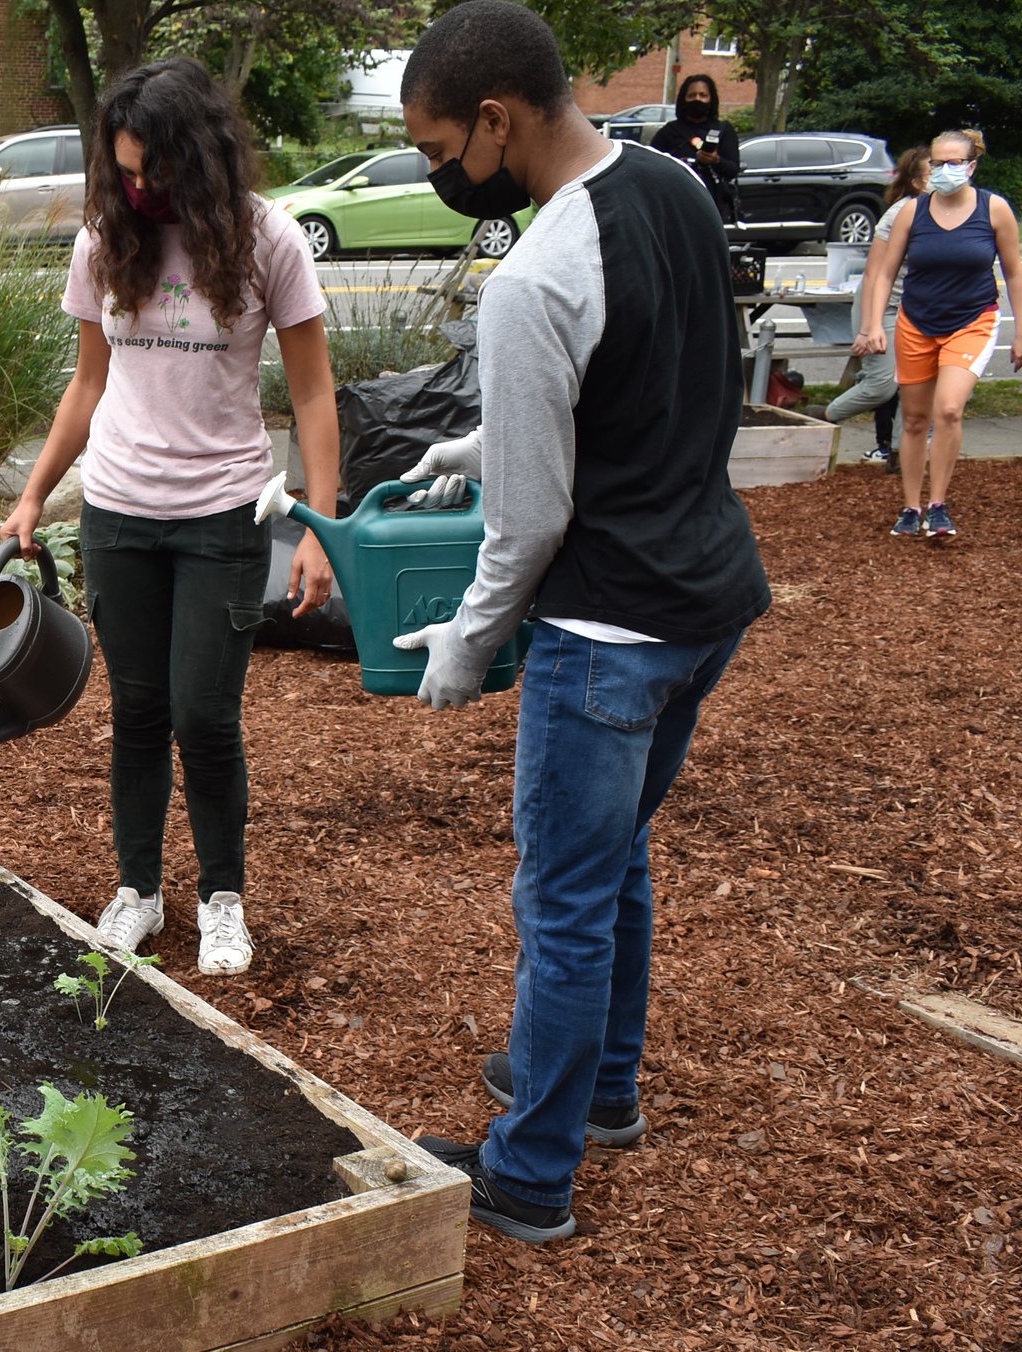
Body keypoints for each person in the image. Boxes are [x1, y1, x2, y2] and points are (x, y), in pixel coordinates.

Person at [386, 0, 772, 1244]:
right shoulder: (669, 186)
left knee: (561, 901)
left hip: (604, 634)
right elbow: (653, 383)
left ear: (495, 121)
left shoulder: (533, 275)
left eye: (440, 150)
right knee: (619, 863)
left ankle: (531, 1172)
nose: (441, 174)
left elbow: (529, 525)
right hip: (707, 601)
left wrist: (467, 640)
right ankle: (601, 1088)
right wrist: (485, 437)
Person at [0, 57, 339, 978]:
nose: (142, 188)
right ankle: (138, 892)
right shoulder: (106, 238)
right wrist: (33, 493)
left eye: (158, 171)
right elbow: (88, 382)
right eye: (127, 172)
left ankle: (222, 899)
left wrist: (320, 525)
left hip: (223, 514)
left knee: (205, 716)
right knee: (140, 712)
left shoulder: (268, 240)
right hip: (118, 513)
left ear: (204, 155)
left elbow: (313, 394)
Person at [855, 129, 1022, 539]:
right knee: (915, 419)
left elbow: (1014, 273)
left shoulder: (994, 209)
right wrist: (872, 325)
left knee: (949, 409)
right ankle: (910, 507)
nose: (944, 170)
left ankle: (938, 505)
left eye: (954, 163)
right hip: (917, 322)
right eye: (937, 163)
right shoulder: (911, 212)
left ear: (972, 166)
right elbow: (883, 273)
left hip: (972, 320)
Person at [824, 146, 930, 470]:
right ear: (916, 182)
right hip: (882, 305)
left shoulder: (950, 215)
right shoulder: (901, 213)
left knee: (918, 385)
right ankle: (822, 418)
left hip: (919, 312)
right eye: (933, 173)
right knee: (882, 386)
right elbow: (873, 275)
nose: (942, 178)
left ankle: (900, 455)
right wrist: (868, 326)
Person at [650, 73, 740, 225]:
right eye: (691, 95)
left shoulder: (723, 130)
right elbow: (651, 169)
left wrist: (715, 160)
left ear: (711, 99)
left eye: (703, 95)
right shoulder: (669, 131)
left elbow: (732, 170)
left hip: (711, 208)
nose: (697, 99)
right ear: (683, 99)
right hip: (675, 208)